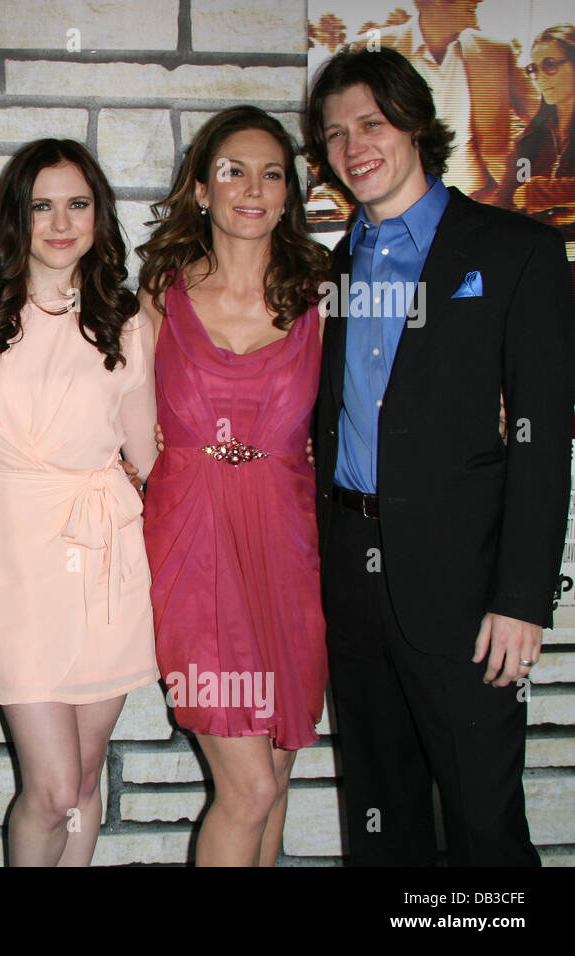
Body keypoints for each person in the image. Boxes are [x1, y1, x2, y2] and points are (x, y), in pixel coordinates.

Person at [305, 45, 574, 865]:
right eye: (335, 133)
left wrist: (524, 597)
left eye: (372, 124)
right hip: (352, 571)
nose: (354, 147)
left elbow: (544, 437)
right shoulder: (333, 264)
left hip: (465, 590)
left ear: (416, 124)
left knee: (484, 823)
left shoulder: (516, 251)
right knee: (382, 818)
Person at [137, 107, 331, 866]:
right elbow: (104, 400)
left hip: (291, 552)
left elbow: (388, 396)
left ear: (289, 194)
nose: (252, 188)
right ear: (201, 188)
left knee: (275, 781)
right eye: (233, 170)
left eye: (272, 173)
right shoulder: (161, 296)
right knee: (246, 788)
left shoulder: (321, 298)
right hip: (191, 548)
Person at [0, 139, 158, 867]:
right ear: (18, 216)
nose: (61, 221)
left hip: (104, 551)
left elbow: (148, 457)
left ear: (100, 215)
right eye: (42, 205)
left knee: (82, 770)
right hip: (11, 553)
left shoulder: (128, 320)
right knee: (48, 787)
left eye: (77, 203)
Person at [378, 0, 538, 198]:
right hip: (398, 203)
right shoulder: (375, 51)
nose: (479, 1)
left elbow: (546, 113)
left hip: (480, 199)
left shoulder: (497, 51)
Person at [505, 24, 575, 240]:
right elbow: (511, 198)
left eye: (550, 65)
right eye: (534, 69)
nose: (539, 77)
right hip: (539, 251)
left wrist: (538, 191)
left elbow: (527, 193)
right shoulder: (532, 136)